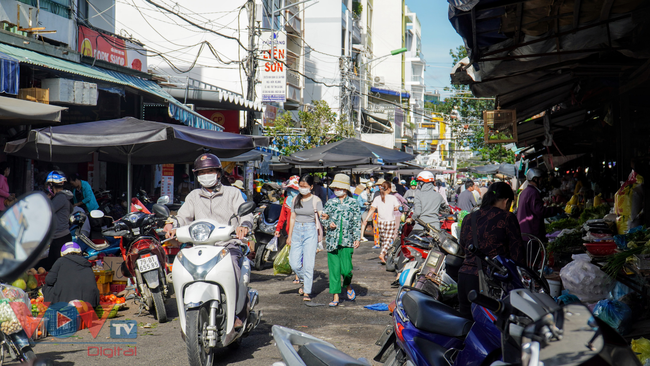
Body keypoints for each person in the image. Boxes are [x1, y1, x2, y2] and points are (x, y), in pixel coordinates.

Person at [164, 153, 252, 328]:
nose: (206, 175)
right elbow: (182, 217)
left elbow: (245, 213)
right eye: (202, 172)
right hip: (200, 246)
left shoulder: (233, 193)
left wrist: (245, 225)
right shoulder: (193, 196)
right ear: (197, 176)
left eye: (210, 171)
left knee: (234, 266)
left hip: (228, 244)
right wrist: (171, 225)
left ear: (218, 173)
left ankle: (235, 312)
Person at [457, 182, 526, 319]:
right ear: (507, 201)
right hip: (489, 282)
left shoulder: (469, 218)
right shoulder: (507, 218)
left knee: (465, 326)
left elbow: (463, 247)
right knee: (490, 331)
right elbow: (518, 256)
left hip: (464, 278)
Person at [320, 174, 361, 307]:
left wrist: (357, 238)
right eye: (335, 188)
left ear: (345, 188)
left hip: (347, 241)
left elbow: (357, 223)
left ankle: (348, 286)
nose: (336, 190)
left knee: (346, 270)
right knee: (334, 270)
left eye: (339, 187)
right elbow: (324, 218)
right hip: (332, 241)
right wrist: (328, 222)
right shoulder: (330, 202)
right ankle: (335, 296)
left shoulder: (353, 203)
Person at [286, 174, 323, 302]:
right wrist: (289, 235)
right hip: (296, 230)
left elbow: (321, 214)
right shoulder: (295, 199)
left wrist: (326, 217)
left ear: (311, 187)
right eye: (300, 186)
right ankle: (305, 280)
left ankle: (307, 291)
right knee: (294, 263)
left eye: (305, 186)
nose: (302, 188)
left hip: (310, 231)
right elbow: (292, 217)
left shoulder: (316, 200)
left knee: (308, 263)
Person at [43, 242, 99, 307]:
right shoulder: (86, 262)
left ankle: (54, 307)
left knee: (47, 287)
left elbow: (49, 280)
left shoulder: (61, 261)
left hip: (65, 302)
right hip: (90, 303)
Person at [37, 171, 73, 271]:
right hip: (60, 237)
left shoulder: (60, 197)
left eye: (49, 185)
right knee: (55, 265)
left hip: (59, 238)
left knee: (53, 265)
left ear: (51, 185)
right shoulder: (64, 197)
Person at [362, 181, 400, 264]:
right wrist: (393, 208)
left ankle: (385, 257)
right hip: (390, 221)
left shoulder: (377, 198)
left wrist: (366, 219)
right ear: (389, 189)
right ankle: (383, 254)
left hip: (380, 222)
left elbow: (372, 209)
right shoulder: (392, 198)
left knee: (384, 240)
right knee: (388, 240)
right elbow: (397, 208)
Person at [516, 168, 558, 242]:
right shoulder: (533, 192)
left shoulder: (525, 191)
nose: (542, 182)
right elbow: (539, 211)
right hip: (532, 233)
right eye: (541, 180)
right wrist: (555, 210)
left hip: (525, 232)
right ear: (535, 179)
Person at [276, 175, 301, 284]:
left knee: (301, 255)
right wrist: (278, 229)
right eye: (291, 189)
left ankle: (298, 276)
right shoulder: (287, 200)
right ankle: (298, 274)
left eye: (294, 189)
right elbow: (282, 217)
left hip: (302, 230)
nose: (292, 191)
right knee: (294, 255)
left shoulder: (304, 200)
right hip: (290, 232)